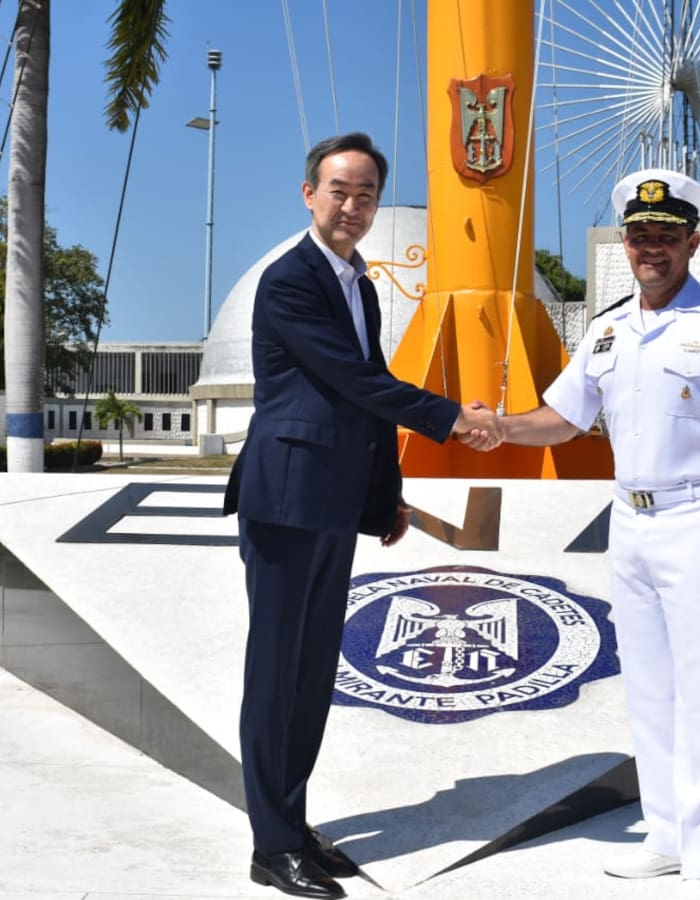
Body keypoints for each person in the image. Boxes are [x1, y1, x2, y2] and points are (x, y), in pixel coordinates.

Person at [494, 168, 700, 900]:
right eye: (638, 235)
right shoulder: (608, 328)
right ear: (625, 243)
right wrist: (497, 426)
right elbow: (560, 419)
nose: (650, 247)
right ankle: (665, 836)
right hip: (629, 522)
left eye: (665, 235)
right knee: (650, 693)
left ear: (692, 243)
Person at [223, 132, 499, 900]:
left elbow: (369, 398)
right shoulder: (290, 281)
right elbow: (351, 381)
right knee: (275, 672)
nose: (353, 205)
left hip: (335, 499)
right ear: (308, 193)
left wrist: (386, 495)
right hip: (284, 498)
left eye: (366, 193)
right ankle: (270, 845)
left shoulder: (361, 283)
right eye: (339, 190)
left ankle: (293, 823)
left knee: (312, 675)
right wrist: (452, 416)